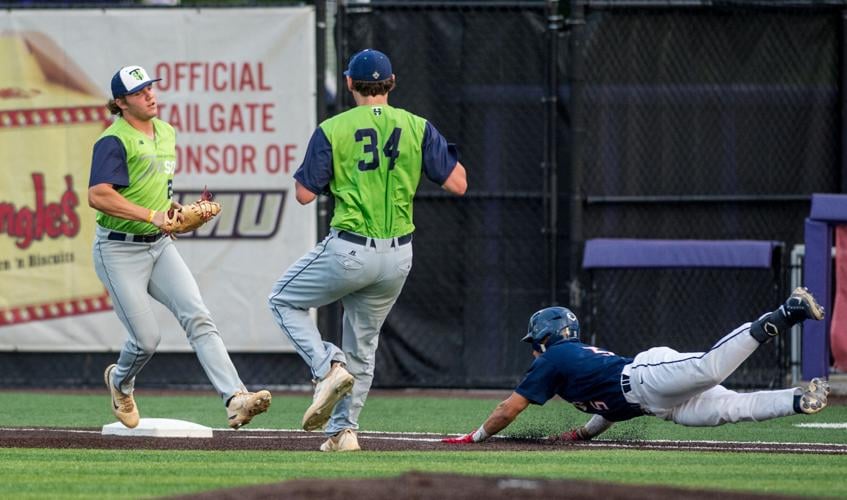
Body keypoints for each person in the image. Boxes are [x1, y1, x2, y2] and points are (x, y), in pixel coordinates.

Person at [268, 49, 468, 452]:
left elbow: (304, 194)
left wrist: (340, 176)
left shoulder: (335, 128)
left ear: (348, 84)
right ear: (391, 84)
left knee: (282, 300)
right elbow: (458, 183)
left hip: (351, 249)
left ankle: (326, 367)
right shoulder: (416, 126)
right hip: (397, 258)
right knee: (363, 345)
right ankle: (344, 433)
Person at [88, 65, 272, 430]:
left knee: (198, 316)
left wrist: (169, 210)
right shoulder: (114, 139)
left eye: (151, 88)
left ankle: (236, 398)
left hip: (159, 247)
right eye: (140, 92)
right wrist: (151, 214)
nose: (150, 95)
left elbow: (155, 186)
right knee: (146, 340)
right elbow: (98, 195)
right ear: (121, 102)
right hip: (118, 251)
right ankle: (120, 382)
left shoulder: (167, 132)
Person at [443, 287, 830, 444]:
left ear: (550, 336)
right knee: (733, 409)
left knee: (709, 369)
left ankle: (783, 313)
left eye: (536, 342)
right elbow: (608, 404)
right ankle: (801, 400)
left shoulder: (556, 358)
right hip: (655, 402)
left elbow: (509, 408)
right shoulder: (571, 363)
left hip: (648, 378)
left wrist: (473, 437)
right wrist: (583, 435)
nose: (533, 351)